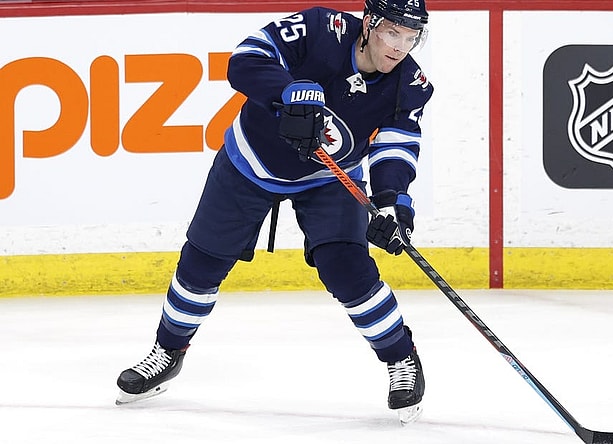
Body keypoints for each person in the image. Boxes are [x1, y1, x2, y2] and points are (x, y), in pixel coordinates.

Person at [115, 0, 434, 425]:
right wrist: (286, 92)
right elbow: (244, 59)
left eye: (411, 36)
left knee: (348, 268)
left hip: (329, 178)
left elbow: (397, 144)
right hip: (251, 162)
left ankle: (401, 358)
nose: (400, 47)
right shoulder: (321, 27)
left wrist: (394, 200)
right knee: (202, 262)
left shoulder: (411, 83)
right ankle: (168, 351)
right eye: (392, 32)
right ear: (368, 23)